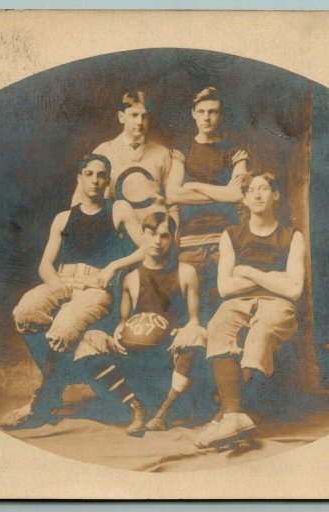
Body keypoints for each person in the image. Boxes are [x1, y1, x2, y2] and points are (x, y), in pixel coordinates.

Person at [5, 154, 144, 429]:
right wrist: (60, 287)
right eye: (89, 174)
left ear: (107, 180)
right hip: (63, 279)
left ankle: (43, 401)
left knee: (63, 329)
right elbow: (45, 264)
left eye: (101, 174)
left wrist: (114, 266)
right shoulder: (63, 217)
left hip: (96, 285)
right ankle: (54, 387)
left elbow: (146, 248)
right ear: (79, 179)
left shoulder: (118, 209)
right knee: (26, 312)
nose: (95, 180)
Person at [195, 172, 306, 448]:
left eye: (264, 188)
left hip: (278, 304)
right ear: (244, 198)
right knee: (218, 325)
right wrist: (273, 277)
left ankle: (224, 416)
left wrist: (248, 271)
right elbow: (225, 288)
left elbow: (294, 291)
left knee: (262, 330)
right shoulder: (231, 235)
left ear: (276, 195)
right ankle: (234, 416)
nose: (257, 194)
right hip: (237, 302)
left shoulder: (292, 236)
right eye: (251, 190)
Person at [103, 212, 207, 434]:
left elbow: (194, 320)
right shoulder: (130, 278)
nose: (157, 242)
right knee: (90, 341)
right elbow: (122, 322)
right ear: (141, 235)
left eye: (164, 236)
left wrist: (186, 331)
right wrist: (118, 330)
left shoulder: (186, 272)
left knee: (197, 334)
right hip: (138, 355)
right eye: (151, 234)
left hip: (172, 354)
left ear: (172, 239)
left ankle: (163, 413)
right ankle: (135, 409)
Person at [166, 86, 251, 324]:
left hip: (225, 239)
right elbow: (172, 193)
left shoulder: (235, 149)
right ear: (193, 113)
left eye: (212, 112)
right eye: (201, 111)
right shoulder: (183, 148)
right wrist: (221, 191)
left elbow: (237, 195)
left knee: (223, 309)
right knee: (189, 314)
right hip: (190, 241)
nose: (206, 117)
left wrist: (195, 186)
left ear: (221, 115)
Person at [72, 89, 172, 223]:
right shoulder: (103, 151)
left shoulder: (162, 153)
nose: (139, 122)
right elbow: (80, 198)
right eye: (134, 115)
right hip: (116, 233)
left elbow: (173, 201)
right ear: (121, 117)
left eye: (144, 116)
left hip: (154, 234)